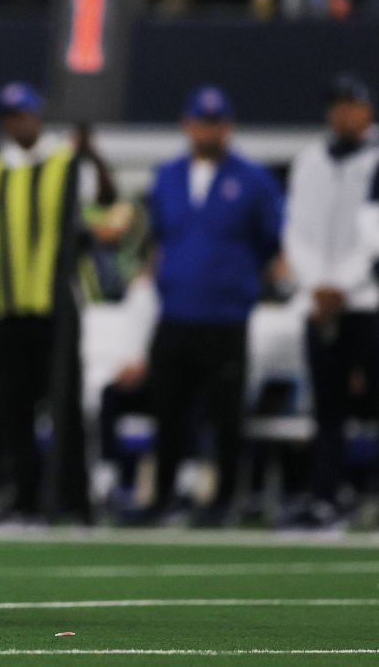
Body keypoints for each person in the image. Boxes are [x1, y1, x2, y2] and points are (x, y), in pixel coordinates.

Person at [142, 85, 284, 527]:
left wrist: (236, 283)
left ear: (229, 126)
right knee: (167, 410)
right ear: (187, 125)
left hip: (225, 316)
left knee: (225, 415)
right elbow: (159, 238)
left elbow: (270, 242)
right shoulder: (166, 175)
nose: (208, 130)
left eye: (216, 122)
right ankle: (163, 496)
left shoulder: (253, 179)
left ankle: (223, 500)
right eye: (202, 122)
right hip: (175, 312)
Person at [0, 81, 115, 523]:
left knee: (65, 404)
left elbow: (104, 208)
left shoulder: (68, 162)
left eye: (26, 114)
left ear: (39, 117)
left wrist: (91, 152)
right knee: (13, 411)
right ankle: (25, 499)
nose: (20, 123)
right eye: (12, 116)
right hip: (7, 306)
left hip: (56, 306)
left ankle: (75, 499)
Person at [282, 74, 379, 528]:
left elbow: (374, 233)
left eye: (351, 104)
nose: (342, 113)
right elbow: (296, 230)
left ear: (367, 110)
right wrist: (316, 285)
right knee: (327, 409)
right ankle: (326, 496)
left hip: (367, 300)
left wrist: (343, 283)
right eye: (336, 104)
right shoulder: (308, 161)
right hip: (320, 303)